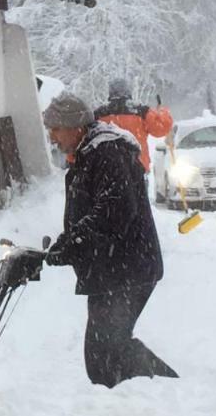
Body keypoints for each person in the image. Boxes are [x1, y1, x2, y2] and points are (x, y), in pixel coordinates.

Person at [41, 92, 178, 388]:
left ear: (75, 125)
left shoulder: (106, 153)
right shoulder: (89, 153)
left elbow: (114, 211)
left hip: (127, 269)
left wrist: (74, 242)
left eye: (55, 128)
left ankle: (166, 390)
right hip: (114, 270)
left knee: (104, 354)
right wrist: (69, 243)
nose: (52, 136)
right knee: (107, 352)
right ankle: (147, 395)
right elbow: (92, 214)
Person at [94, 78, 173, 173]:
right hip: (137, 166)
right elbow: (162, 129)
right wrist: (162, 111)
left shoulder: (99, 114)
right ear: (128, 91)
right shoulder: (142, 112)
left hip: (106, 168)